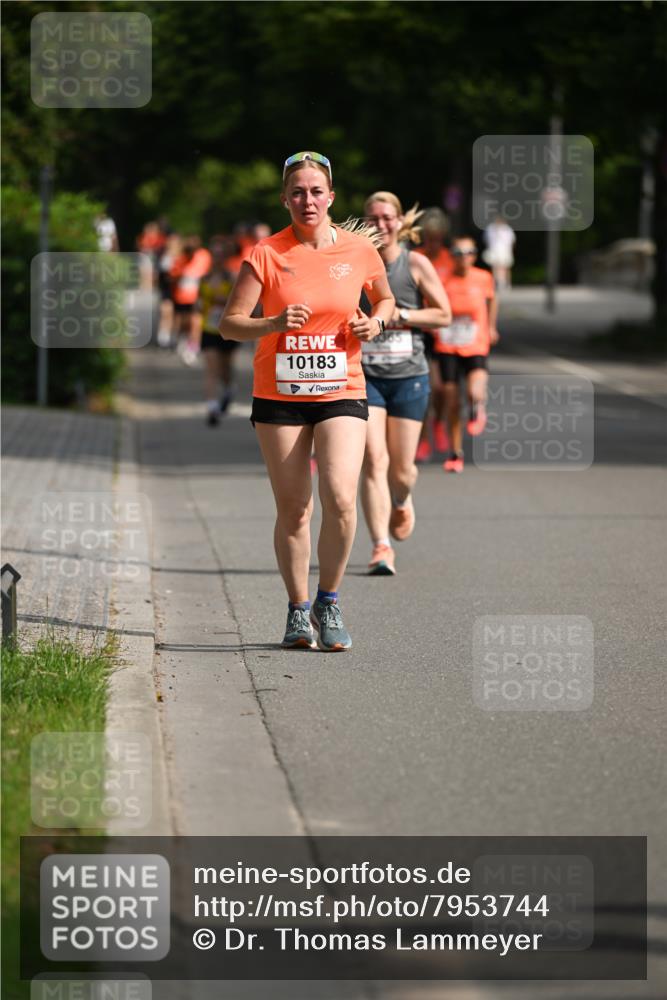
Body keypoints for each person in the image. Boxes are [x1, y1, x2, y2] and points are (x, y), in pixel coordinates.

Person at [220, 151, 394, 651]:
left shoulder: (360, 250)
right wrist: (273, 323)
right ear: (284, 199)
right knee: (295, 508)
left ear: (331, 197)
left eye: (316, 191)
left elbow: (384, 299)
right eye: (297, 192)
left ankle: (328, 600)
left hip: (342, 387)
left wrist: (376, 322)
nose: (307, 200)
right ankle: (298, 609)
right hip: (280, 394)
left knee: (340, 498)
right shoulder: (266, 253)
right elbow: (229, 324)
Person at [360, 192, 451, 576]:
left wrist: (402, 315)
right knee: (373, 460)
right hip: (365, 376)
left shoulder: (415, 263)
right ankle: (381, 546)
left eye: (387, 217)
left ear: (399, 222)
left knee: (401, 470)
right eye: (373, 218)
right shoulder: (353, 264)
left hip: (408, 376)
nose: (381, 224)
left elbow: (443, 314)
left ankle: (401, 499)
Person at [433, 236, 499, 473]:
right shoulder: (442, 279)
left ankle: (477, 408)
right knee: (452, 402)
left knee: (474, 391)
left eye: (469, 252)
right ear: (451, 256)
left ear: (475, 255)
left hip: (475, 344)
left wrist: (491, 326)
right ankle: (455, 453)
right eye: (459, 253)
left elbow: (492, 300)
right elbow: (432, 304)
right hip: (448, 346)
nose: (464, 257)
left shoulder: (483, 277)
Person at [414, 207, 454, 461]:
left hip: (444, 331)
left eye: (437, 239)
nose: (433, 243)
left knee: (440, 388)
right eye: (429, 238)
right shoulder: (415, 258)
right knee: (423, 388)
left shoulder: (450, 260)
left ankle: (439, 421)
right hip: (420, 329)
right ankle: (422, 438)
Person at [199, 239, 237, 425]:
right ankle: (212, 407)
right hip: (208, 328)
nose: (217, 258)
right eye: (214, 255)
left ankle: (229, 390)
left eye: (220, 255)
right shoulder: (204, 279)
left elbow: (239, 303)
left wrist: (223, 301)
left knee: (225, 369)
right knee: (211, 368)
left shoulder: (231, 278)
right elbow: (198, 304)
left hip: (227, 330)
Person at [170, 237, 212, 365]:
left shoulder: (204, 256)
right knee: (184, 322)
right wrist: (181, 274)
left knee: (196, 322)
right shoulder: (180, 259)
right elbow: (173, 277)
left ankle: (192, 349)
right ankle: (182, 341)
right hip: (181, 296)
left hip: (198, 296)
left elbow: (209, 273)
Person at [482, 215, 515, 290]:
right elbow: (486, 240)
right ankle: (496, 283)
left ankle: (507, 283)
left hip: (505, 251)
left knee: (505, 267)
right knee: (495, 268)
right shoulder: (490, 229)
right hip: (494, 251)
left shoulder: (507, 229)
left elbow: (511, 241)